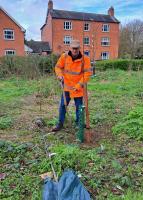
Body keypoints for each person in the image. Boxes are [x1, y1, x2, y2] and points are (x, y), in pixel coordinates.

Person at [52, 39, 92, 132]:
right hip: (66, 87)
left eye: (77, 48)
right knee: (63, 106)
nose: (75, 50)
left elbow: (87, 74)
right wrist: (59, 75)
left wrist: (79, 85)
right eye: (73, 48)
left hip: (78, 88)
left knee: (79, 107)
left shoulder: (85, 59)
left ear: (79, 48)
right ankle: (60, 124)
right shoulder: (64, 57)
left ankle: (79, 123)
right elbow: (58, 67)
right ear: (70, 48)